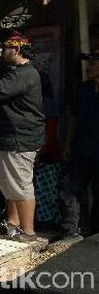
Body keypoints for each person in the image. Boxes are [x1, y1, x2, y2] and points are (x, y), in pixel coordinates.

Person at [0, 30, 45, 243]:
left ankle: (28, 232)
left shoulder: (25, 74)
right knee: (9, 185)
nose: (1, 52)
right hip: (6, 137)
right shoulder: (15, 71)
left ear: (16, 49)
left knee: (20, 184)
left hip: (19, 139)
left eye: (5, 48)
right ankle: (13, 223)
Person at [57, 49, 99, 240]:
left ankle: (95, 232)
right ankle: (70, 231)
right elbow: (74, 117)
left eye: (93, 63)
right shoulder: (83, 89)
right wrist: (67, 143)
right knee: (70, 188)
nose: (89, 67)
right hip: (81, 147)